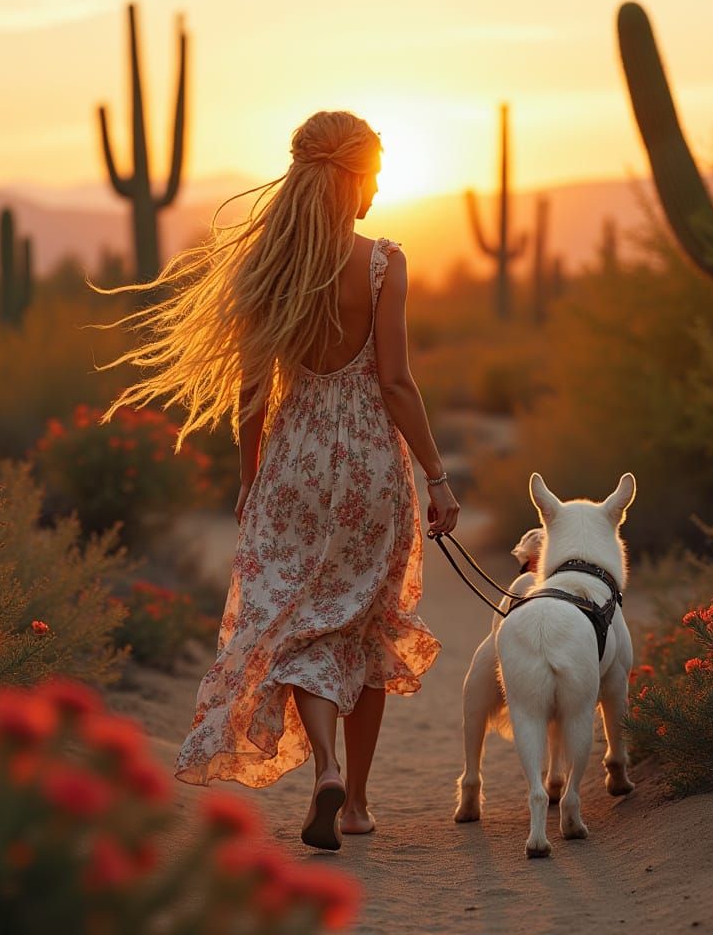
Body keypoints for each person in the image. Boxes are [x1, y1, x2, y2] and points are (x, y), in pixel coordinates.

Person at [89, 109, 458, 851]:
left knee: (295, 628)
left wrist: (248, 477)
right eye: (375, 174)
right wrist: (439, 477)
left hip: (292, 467)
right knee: (366, 623)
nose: (378, 191)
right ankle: (355, 802)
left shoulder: (268, 266)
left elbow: (252, 391)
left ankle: (322, 767)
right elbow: (396, 383)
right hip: (367, 470)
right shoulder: (384, 261)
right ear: (351, 175)